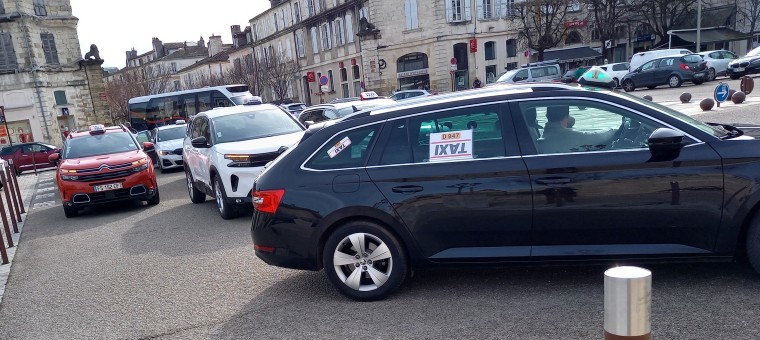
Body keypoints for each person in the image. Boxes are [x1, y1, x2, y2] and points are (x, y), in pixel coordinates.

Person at [541, 105, 615, 153]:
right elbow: (594, 137)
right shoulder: (567, 137)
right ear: (567, 116)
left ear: (547, 116)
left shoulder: (545, 136)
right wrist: (612, 131)